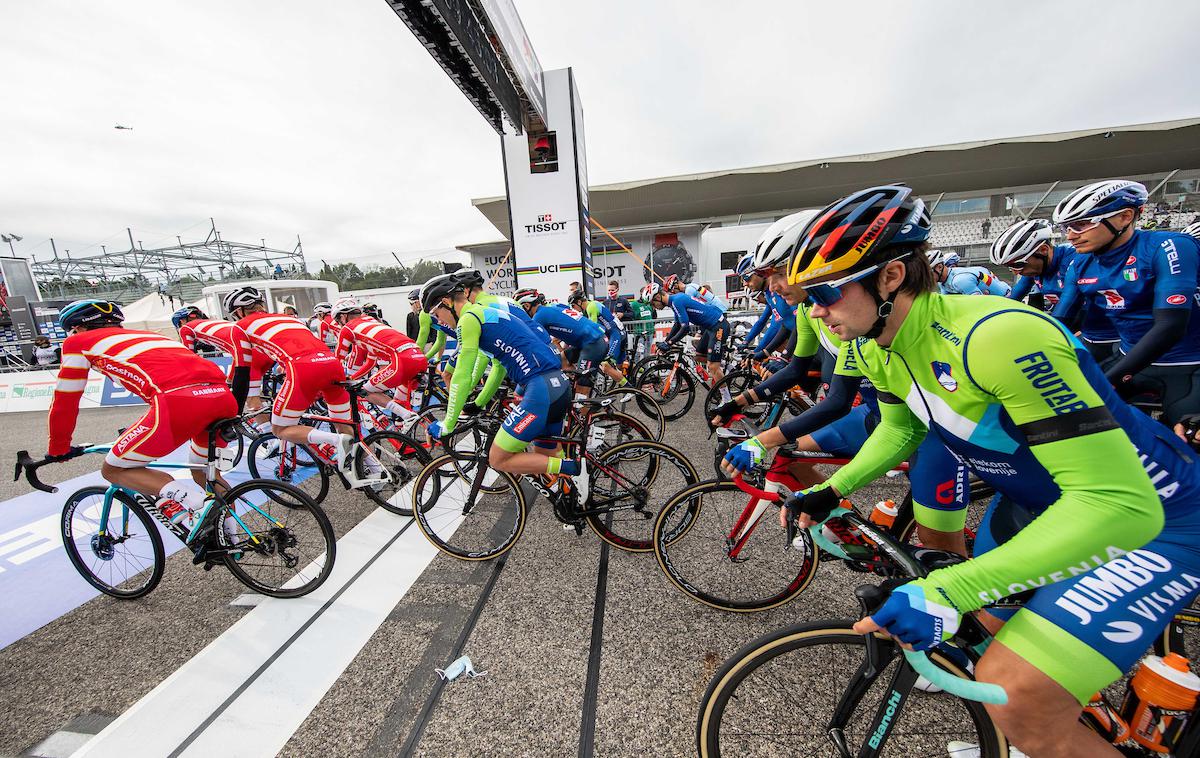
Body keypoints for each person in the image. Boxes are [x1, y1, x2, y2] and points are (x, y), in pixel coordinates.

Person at [781, 184, 1200, 757]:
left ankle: (1043, 727)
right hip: (1044, 500)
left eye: (825, 292)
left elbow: (1119, 504)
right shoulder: (879, 342)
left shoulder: (997, 335)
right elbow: (904, 429)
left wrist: (948, 589)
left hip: (1154, 519)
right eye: (806, 295)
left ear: (890, 277)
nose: (813, 310)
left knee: (1016, 692)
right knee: (989, 628)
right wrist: (833, 490)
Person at [46, 299, 244, 537]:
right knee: (205, 472)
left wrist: (58, 447)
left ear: (77, 328)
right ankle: (233, 536)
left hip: (179, 402)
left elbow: (65, 401)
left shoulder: (77, 342)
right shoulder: (149, 335)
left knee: (114, 469)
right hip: (222, 396)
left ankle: (194, 503)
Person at [1051, 180, 1200, 424]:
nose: (1070, 236)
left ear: (1124, 217)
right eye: (1067, 227)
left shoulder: (1169, 246)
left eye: (1081, 225)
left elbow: (1170, 326)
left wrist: (1110, 380)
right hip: (1128, 355)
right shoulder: (1080, 263)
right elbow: (1060, 320)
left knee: (1187, 441)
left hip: (1188, 364)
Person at [421, 274, 575, 480]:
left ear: (447, 302)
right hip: (557, 386)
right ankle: (574, 498)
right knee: (547, 463)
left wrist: (448, 423)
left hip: (541, 391)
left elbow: (462, 374)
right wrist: (479, 402)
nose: (438, 320)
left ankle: (576, 469)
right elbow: (498, 369)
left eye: (435, 312)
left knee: (498, 458)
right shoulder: (485, 312)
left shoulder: (468, 318)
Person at [223, 287, 364, 482]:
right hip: (331, 363)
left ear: (238, 312)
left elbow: (241, 372)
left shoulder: (239, 327)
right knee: (343, 423)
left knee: (280, 429)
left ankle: (335, 441)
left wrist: (236, 412)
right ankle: (367, 469)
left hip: (303, 369)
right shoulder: (289, 318)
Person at [995, 218, 1122, 362]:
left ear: (1043, 250)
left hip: (1111, 333)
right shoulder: (1035, 268)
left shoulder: (1074, 260)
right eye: (1009, 267)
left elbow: (1071, 305)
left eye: (1018, 265)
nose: (1015, 272)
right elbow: (1011, 301)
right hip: (1084, 329)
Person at [332, 297, 428, 418]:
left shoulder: (348, 329)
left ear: (343, 316)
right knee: (398, 407)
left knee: (365, 391)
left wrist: (334, 381)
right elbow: (370, 363)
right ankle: (404, 430)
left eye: (337, 320)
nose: (338, 324)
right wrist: (352, 378)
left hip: (402, 360)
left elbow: (338, 359)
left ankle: (408, 416)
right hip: (419, 356)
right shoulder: (371, 322)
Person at [173, 307, 272, 421]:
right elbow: (239, 355)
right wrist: (229, 380)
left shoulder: (185, 328)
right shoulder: (217, 322)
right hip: (262, 353)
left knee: (252, 400)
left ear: (181, 322)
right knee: (255, 395)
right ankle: (270, 424)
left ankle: (268, 434)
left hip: (251, 356)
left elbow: (189, 357)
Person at [649, 275, 731, 399]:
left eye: (653, 303)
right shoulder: (674, 301)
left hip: (718, 326)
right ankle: (725, 365)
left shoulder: (677, 300)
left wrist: (669, 343)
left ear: (658, 297)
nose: (654, 307)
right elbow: (677, 325)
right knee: (699, 355)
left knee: (712, 367)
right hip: (711, 328)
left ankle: (727, 400)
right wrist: (666, 342)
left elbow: (685, 327)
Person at [516, 289, 609, 398]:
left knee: (581, 389)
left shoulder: (538, 317)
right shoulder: (549, 309)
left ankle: (582, 410)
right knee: (562, 360)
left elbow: (532, 344)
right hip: (591, 340)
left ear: (526, 306)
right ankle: (581, 381)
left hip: (593, 343)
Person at [928, 249, 1012, 296]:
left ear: (939, 267)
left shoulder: (960, 280)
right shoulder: (943, 282)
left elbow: (980, 305)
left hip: (1006, 297)